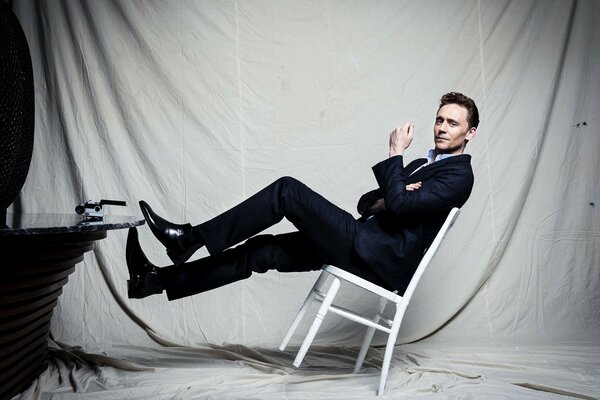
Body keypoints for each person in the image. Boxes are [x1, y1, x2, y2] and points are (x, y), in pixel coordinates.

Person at [125, 92, 478, 301]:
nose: (442, 128)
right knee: (260, 251)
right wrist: (393, 196)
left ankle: (189, 238)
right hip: (361, 241)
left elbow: (399, 205)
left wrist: (394, 156)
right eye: (439, 120)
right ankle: (153, 281)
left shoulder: (459, 175)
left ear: (470, 132)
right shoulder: (421, 163)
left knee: (287, 190)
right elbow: (367, 202)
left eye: (452, 123)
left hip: (376, 259)